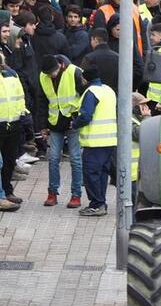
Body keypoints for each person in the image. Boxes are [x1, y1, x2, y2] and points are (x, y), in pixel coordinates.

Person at [40, 54, 84, 208]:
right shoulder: (43, 76)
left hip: (72, 122)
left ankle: (76, 194)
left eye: (53, 72)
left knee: (75, 159)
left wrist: (78, 118)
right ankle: (52, 193)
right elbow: (43, 101)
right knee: (52, 158)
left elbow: (85, 95)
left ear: (60, 65)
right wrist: (43, 125)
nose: (51, 75)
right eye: (48, 74)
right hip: (55, 123)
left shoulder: (75, 72)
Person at [72, 66, 117, 217]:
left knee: (91, 173)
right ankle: (101, 202)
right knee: (102, 173)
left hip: (95, 141)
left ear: (85, 79)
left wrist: (74, 124)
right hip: (110, 139)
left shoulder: (91, 93)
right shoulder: (108, 90)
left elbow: (85, 116)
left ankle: (97, 204)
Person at [0, 55, 28, 211]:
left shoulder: (11, 74)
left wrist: (21, 115)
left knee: (10, 160)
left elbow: (20, 96)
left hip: (13, 123)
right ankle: (2, 195)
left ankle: (7, 190)